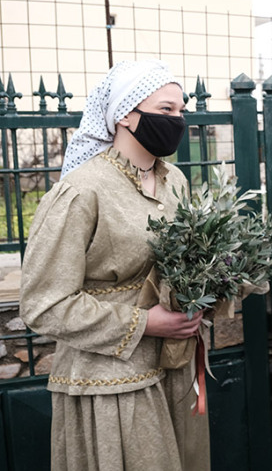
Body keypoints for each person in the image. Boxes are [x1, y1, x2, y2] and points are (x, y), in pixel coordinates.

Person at [19, 60, 210, 471]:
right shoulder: (82, 190)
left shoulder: (175, 180)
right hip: (110, 384)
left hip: (174, 368)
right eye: (165, 110)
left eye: (181, 110)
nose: (177, 120)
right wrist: (143, 323)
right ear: (125, 114)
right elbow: (43, 304)